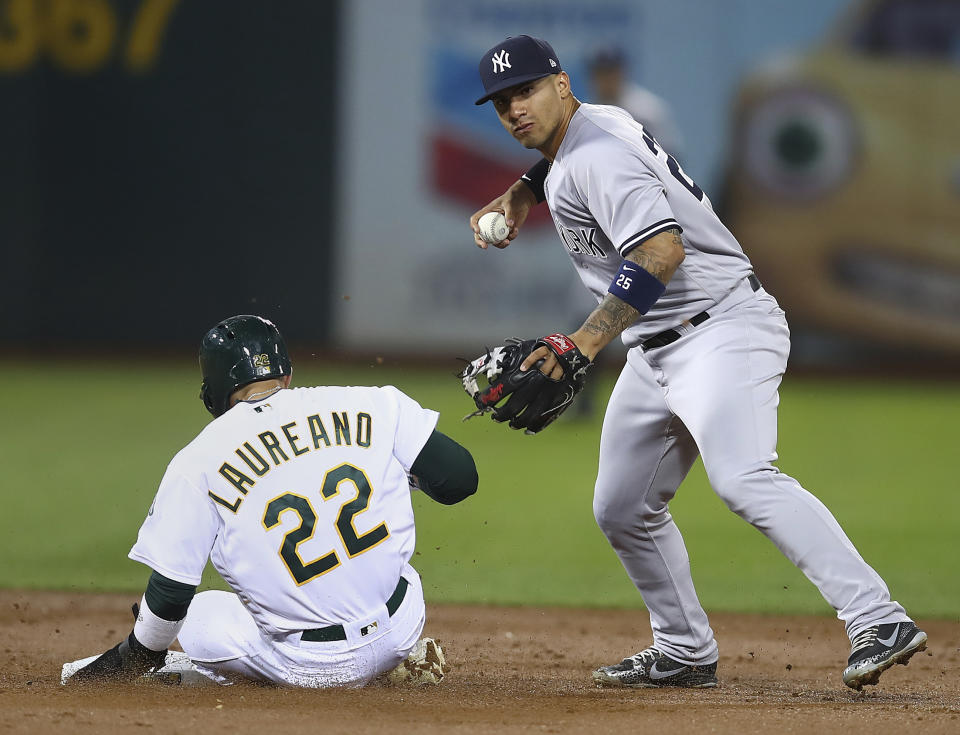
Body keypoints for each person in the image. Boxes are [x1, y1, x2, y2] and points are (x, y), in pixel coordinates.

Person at [469, 35, 925, 691]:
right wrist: (522, 191)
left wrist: (582, 345)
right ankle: (683, 648)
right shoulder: (598, 123)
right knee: (622, 506)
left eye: (528, 91)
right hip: (658, 346)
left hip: (721, 330)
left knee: (743, 476)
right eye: (503, 100)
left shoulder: (595, 157)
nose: (516, 109)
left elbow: (660, 252)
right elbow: (566, 157)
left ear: (561, 85)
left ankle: (878, 617)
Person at [72, 315, 477, 687]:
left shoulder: (197, 460)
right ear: (287, 374)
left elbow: (171, 590)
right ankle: (395, 664)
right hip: (403, 626)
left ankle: (207, 681)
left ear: (211, 390)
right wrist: (397, 477)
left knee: (193, 615)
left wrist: (136, 656)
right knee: (394, 570)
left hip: (312, 665)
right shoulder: (372, 402)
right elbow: (459, 479)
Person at [586, 46, 683, 157]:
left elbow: (671, 156)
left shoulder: (647, 111)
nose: (606, 80)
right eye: (601, 73)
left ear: (622, 72)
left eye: (611, 72)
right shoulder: (585, 113)